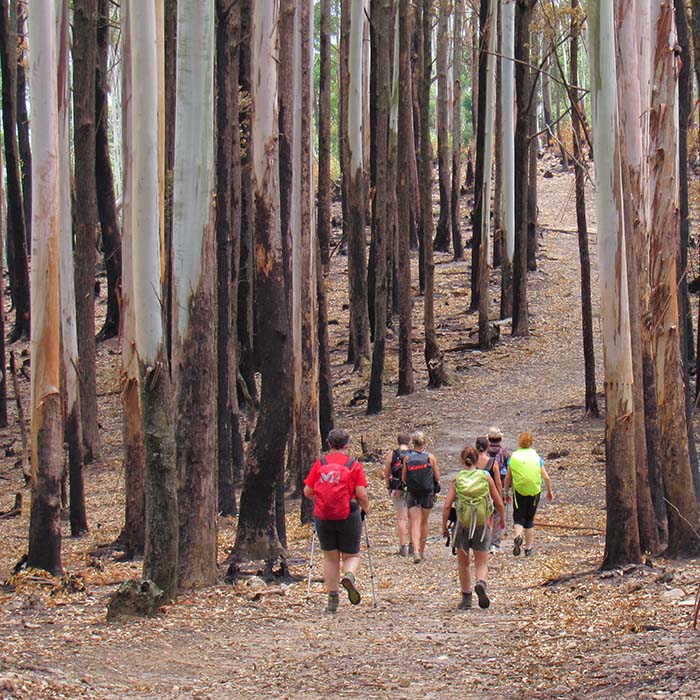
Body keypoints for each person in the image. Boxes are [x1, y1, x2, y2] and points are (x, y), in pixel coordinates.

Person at [304, 428, 370, 613]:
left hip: (323, 515)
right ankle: (348, 575)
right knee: (352, 555)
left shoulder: (320, 464)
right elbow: (361, 494)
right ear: (347, 444)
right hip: (348, 513)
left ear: (328, 443)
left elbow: (308, 492)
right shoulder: (353, 465)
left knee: (331, 559)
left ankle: (332, 599)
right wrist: (366, 507)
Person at [442, 446, 505, 610]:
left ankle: (466, 598)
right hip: (482, 523)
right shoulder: (485, 477)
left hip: (462, 524)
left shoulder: (457, 479)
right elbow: (498, 501)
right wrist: (502, 519)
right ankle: (481, 583)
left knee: (463, 563)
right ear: (478, 460)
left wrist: (444, 528)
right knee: (481, 562)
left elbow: (447, 505)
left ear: (462, 461)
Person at [504, 431, 553, 558]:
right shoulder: (537, 458)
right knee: (529, 520)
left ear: (519, 442)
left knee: (518, 518)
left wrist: (506, 492)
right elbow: (546, 478)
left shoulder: (513, 457)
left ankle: (517, 536)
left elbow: (508, 478)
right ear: (531, 442)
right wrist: (549, 491)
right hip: (534, 491)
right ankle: (529, 548)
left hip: (519, 491)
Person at [402, 431, 440, 564]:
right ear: (424, 442)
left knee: (414, 522)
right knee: (424, 522)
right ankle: (422, 552)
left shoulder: (407, 458)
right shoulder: (430, 457)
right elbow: (437, 477)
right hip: (427, 493)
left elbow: (403, 478)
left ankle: (416, 551)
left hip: (412, 493)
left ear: (413, 443)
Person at [383, 433, 412, 556]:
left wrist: (388, 485)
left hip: (396, 486)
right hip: (411, 488)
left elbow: (387, 472)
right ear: (409, 442)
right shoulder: (412, 455)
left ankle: (402, 547)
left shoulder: (392, 454)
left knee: (401, 517)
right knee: (411, 517)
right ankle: (413, 545)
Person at [479, 433, 506, 552]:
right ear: (487, 447)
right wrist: (499, 496)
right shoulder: (492, 462)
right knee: (495, 516)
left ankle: (480, 541)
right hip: (491, 492)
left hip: (476, 493)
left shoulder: (473, 461)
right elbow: (499, 482)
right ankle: (494, 543)